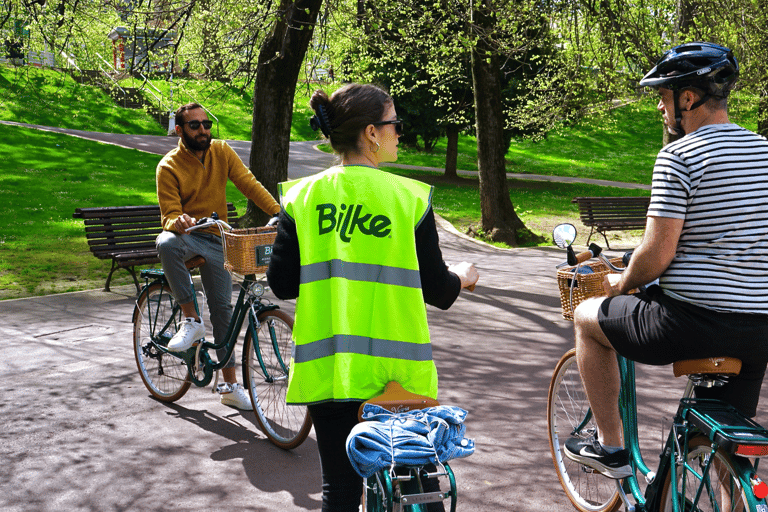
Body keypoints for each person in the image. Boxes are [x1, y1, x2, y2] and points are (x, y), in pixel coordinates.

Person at [266, 83, 479, 511]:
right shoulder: (409, 198)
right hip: (398, 374)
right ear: (371, 133)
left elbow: (283, 285)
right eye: (394, 123)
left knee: (341, 493)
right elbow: (438, 290)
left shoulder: (302, 199)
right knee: (418, 483)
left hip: (331, 372)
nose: (400, 131)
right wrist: (463, 276)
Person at [563, 42, 768, 479]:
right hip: (759, 329)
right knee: (729, 456)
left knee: (585, 316)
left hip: (688, 323)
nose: (660, 106)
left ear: (688, 99)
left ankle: (610, 448)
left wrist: (622, 284)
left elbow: (656, 256)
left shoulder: (679, 157)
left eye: (664, 95)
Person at [156, 102, 280, 410]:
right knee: (166, 243)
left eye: (207, 124)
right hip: (187, 238)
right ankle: (190, 320)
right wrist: (178, 221)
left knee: (224, 312)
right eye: (195, 125)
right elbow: (169, 214)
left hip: (218, 239)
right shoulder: (168, 166)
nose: (203, 130)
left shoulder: (222, 152)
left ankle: (229, 386)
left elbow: (249, 184)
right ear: (179, 130)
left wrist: (280, 212)